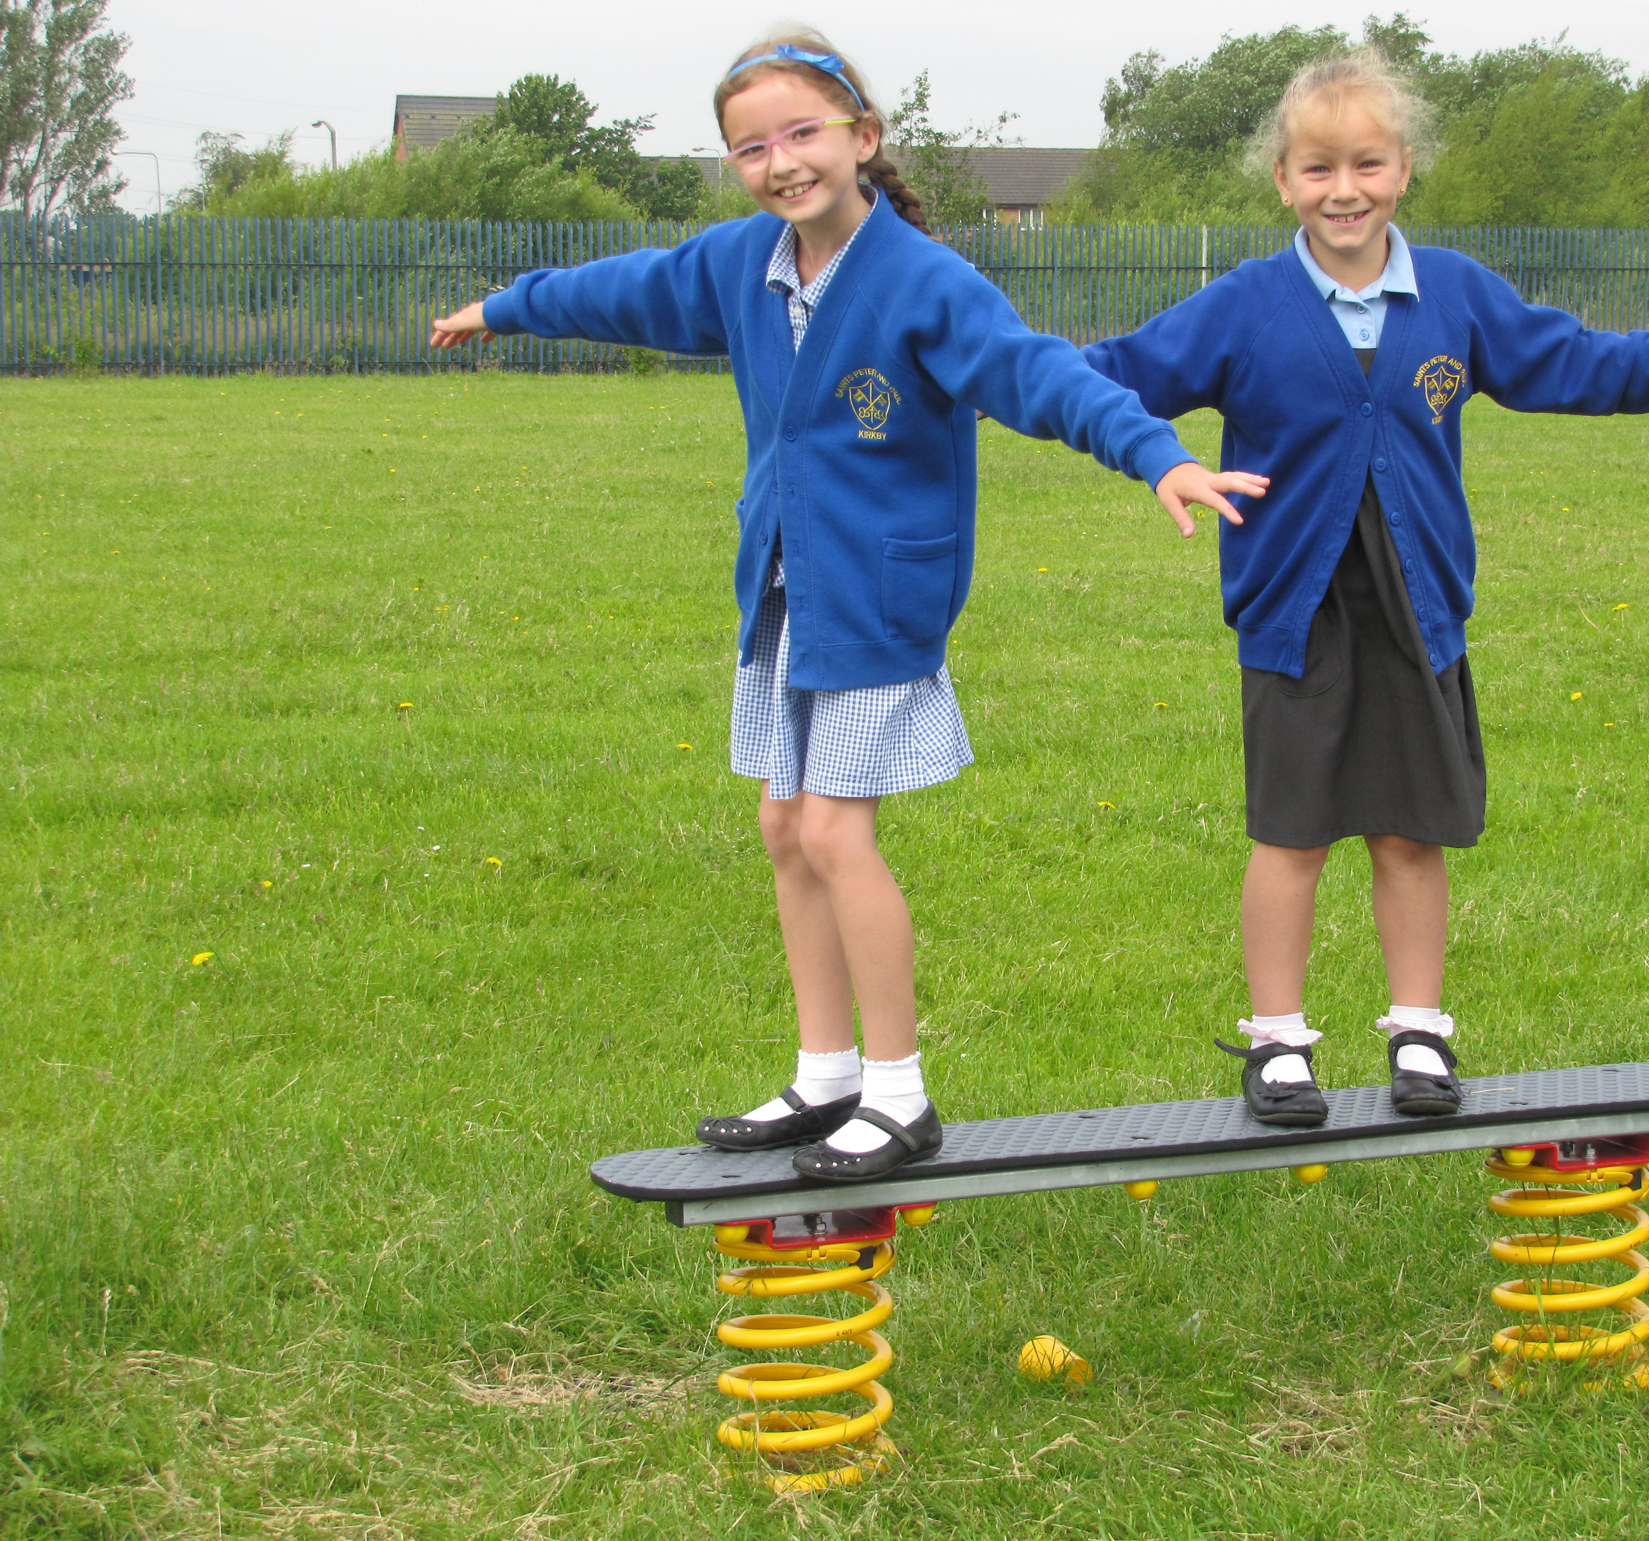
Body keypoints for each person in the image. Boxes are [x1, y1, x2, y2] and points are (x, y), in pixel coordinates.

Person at [428, 30, 1264, 1181]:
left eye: (803, 132)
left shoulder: (923, 281)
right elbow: (622, 288)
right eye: (750, 147)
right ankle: (824, 1077)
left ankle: (898, 1090)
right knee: (784, 827)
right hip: (784, 588)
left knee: (831, 828)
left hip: (878, 596)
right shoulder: (742, 266)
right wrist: (505, 308)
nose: (780, 162)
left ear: (863, 139)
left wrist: (1157, 454)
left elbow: (1041, 376)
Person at [1083, 47, 1649, 1125]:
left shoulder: (1457, 295)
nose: (1345, 190)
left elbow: (1577, 361)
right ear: (1283, 179)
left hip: (1418, 605)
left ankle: (1417, 1027)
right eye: (1319, 169)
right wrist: (975, 371)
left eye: (1366, 165)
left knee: (1408, 829)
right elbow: (1112, 372)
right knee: (1291, 832)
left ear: (1403, 169)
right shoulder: (1245, 305)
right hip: (1296, 611)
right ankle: (1277, 1040)